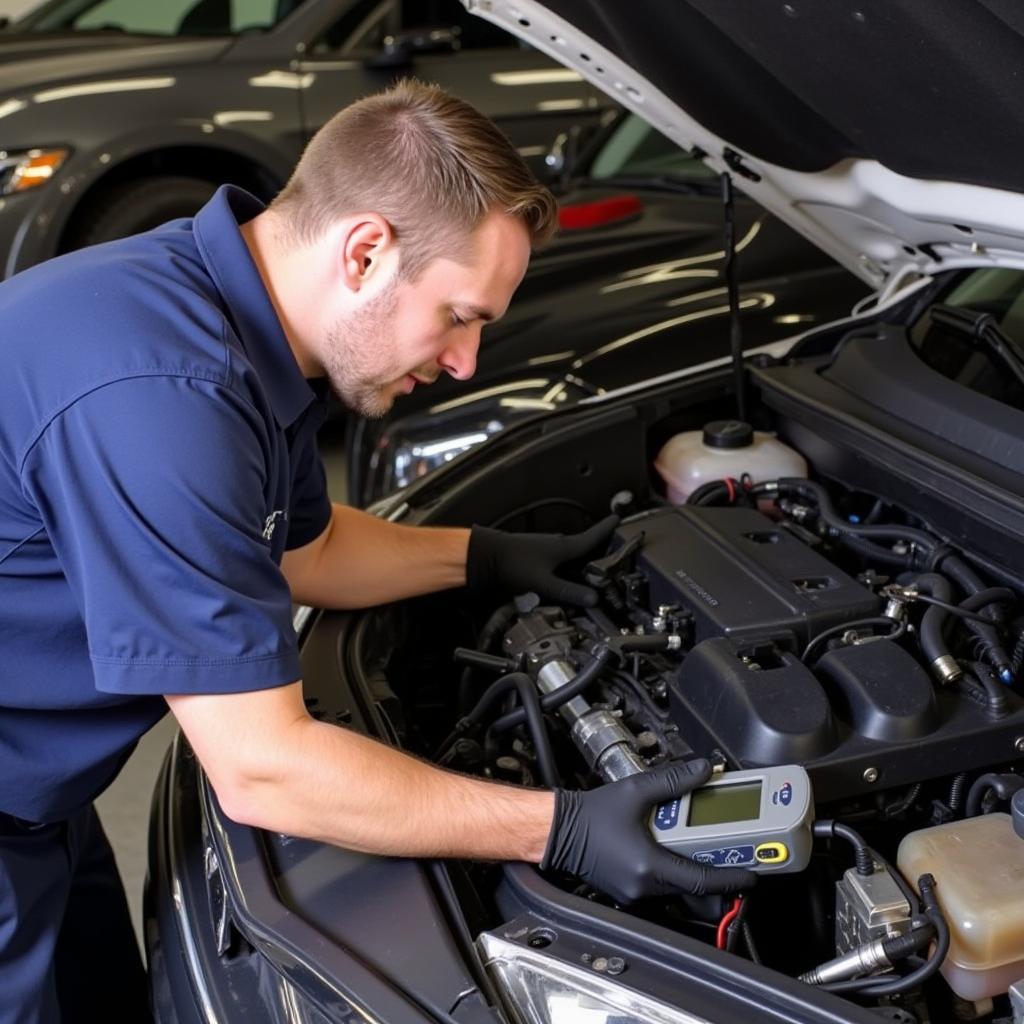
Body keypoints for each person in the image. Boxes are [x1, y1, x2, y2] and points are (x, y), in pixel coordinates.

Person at [0, 80, 751, 1022]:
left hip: (43, 801)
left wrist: (487, 556)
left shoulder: (234, 318)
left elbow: (304, 552)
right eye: (462, 315)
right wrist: (557, 831)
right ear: (364, 252)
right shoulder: (164, 397)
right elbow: (262, 768)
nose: (467, 361)